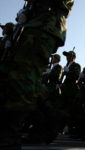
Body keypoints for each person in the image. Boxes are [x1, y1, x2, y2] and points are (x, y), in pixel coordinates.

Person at [0, 0, 74, 149]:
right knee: (16, 75)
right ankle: (49, 116)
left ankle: (10, 134)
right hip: (33, 23)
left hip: (45, 24)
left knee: (23, 77)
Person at [60, 50, 81, 136]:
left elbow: (76, 76)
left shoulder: (76, 65)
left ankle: (71, 128)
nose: (67, 57)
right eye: (66, 56)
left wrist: (68, 71)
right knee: (62, 108)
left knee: (70, 110)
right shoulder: (66, 66)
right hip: (65, 89)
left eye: (69, 56)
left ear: (73, 57)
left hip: (71, 90)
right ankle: (61, 128)